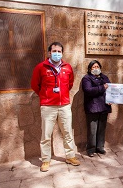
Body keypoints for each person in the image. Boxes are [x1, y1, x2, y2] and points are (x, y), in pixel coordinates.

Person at [31, 42, 80, 172]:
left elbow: (70, 84)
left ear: (62, 53)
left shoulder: (67, 67)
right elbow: (35, 85)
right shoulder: (41, 67)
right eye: (54, 51)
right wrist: (45, 95)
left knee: (68, 133)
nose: (57, 53)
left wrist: (62, 94)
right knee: (46, 135)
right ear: (49, 53)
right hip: (48, 106)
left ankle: (70, 156)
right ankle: (46, 160)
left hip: (64, 105)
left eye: (59, 51)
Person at [82, 60, 111, 157]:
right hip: (92, 107)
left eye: (97, 66)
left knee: (102, 129)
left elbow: (111, 90)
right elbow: (88, 90)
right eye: (93, 67)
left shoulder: (104, 77)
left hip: (104, 106)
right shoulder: (86, 78)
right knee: (92, 130)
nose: (96, 69)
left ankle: (100, 147)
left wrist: (112, 99)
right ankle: (91, 149)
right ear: (90, 69)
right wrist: (102, 88)